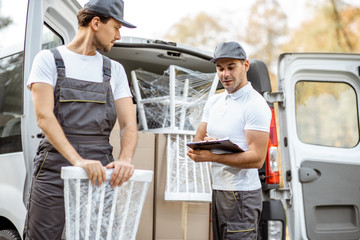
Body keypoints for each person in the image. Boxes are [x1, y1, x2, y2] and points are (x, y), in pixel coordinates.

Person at [23, 0, 137, 239]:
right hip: (54, 165)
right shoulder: (47, 59)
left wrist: (125, 159)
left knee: (98, 235)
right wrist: (77, 160)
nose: (118, 35)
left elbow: (128, 124)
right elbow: (44, 117)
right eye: (116, 27)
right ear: (96, 23)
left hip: (101, 166)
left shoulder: (114, 70)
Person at [187, 41, 271, 240]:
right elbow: (196, 143)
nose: (225, 74)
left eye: (231, 67)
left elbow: (257, 159)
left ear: (246, 66)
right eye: (220, 68)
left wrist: (213, 155)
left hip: (242, 196)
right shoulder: (214, 102)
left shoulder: (255, 104)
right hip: (218, 191)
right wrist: (212, 145)